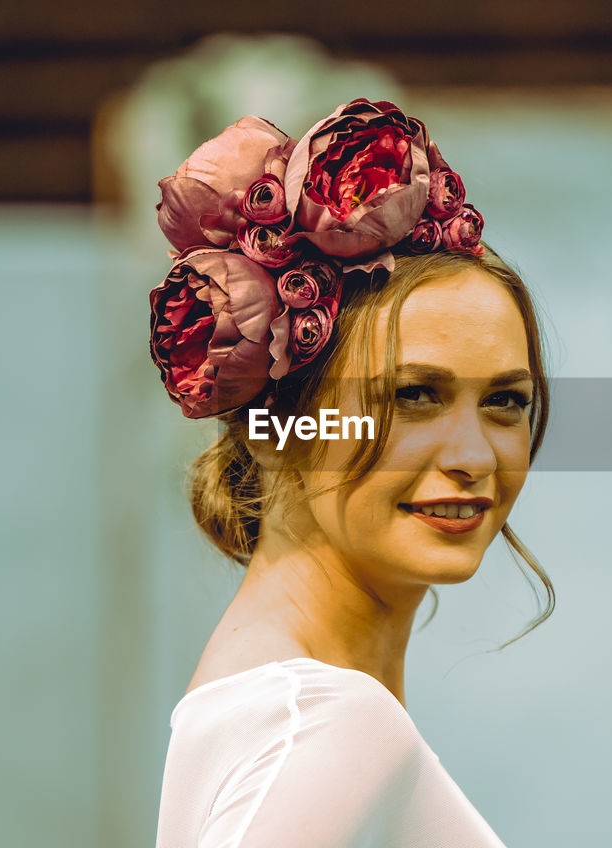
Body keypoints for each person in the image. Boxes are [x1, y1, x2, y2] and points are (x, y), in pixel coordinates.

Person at [148, 99, 553, 848]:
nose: (473, 455)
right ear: (276, 428)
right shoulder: (326, 724)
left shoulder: (287, 711)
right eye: (413, 396)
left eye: (505, 401)